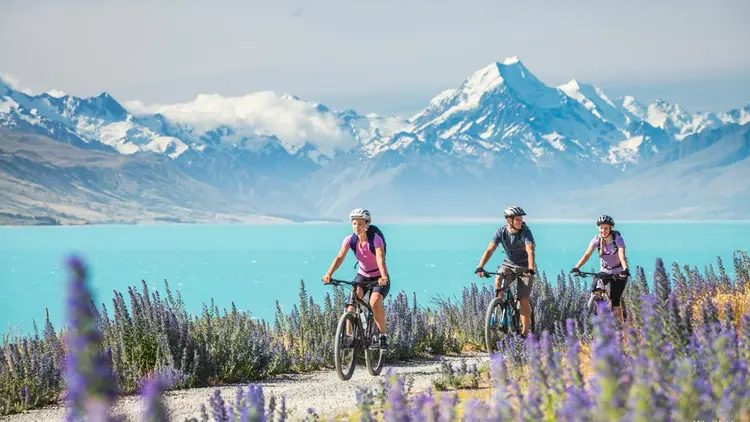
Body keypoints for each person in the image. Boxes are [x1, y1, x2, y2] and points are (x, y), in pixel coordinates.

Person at [322, 208, 390, 351]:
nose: (356, 227)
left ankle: (383, 337)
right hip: (363, 275)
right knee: (351, 303)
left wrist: (383, 277)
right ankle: (349, 336)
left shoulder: (375, 239)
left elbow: (380, 259)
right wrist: (329, 273)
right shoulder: (350, 240)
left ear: (367, 224)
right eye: (354, 224)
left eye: (360, 224)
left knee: (374, 302)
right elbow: (339, 257)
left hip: (379, 276)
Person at [475, 205, 536, 337]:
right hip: (508, 264)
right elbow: (490, 250)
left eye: (521, 218)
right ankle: (501, 305)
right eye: (518, 219)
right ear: (509, 220)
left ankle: (525, 333)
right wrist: (480, 266)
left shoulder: (526, 232)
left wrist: (531, 269)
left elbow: (530, 250)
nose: (521, 221)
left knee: (523, 298)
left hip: (525, 266)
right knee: (498, 279)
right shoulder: (501, 232)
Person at [570, 214, 631, 324]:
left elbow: (622, 255)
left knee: (615, 300)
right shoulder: (597, 240)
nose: (603, 230)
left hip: (619, 272)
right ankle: (601, 315)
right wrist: (576, 267)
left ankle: (620, 329)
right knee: (594, 289)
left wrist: (625, 269)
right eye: (601, 228)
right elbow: (586, 255)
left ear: (610, 228)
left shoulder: (617, 239)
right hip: (604, 271)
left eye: (606, 228)